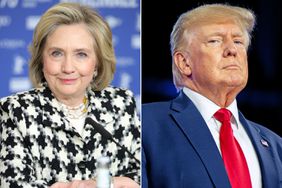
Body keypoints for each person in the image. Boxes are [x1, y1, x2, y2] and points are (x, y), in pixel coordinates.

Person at [0, 2, 140, 188]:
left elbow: (144, 173)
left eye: (81, 54)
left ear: (97, 63)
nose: (67, 68)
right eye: (57, 53)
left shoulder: (121, 103)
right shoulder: (15, 111)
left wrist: (112, 182)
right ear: (42, 60)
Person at [142, 3, 282, 188]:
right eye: (215, 40)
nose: (232, 50)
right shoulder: (145, 124)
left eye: (238, 42)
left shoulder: (274, 144)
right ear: (184, 63)